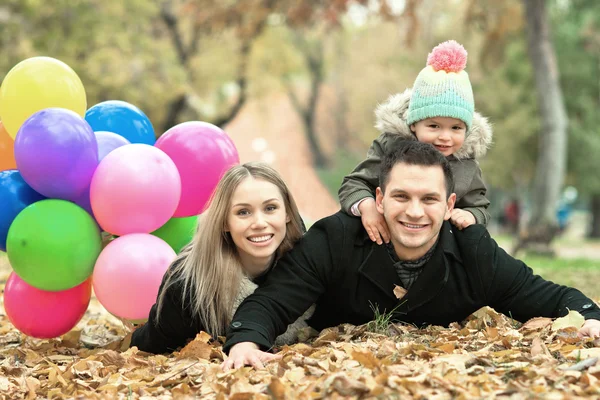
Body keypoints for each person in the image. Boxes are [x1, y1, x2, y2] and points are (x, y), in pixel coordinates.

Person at [222, 140, 600, 370]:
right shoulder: (335, 238)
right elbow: (273, 301)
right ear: (380, 199)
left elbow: (549, 296)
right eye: (401, 197)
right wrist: (244, 342)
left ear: (450, 204)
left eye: (429, 199)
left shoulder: (474, 252)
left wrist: (591, 317)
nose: (415, 212)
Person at [128, 162, 313, 354]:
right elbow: (151, 343)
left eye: (270, 208)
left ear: (288, 214)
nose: (259, 223)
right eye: (243, 212)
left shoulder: (309, 256)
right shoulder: (187, 287)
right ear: (225, 222)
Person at [338, 40, 492, 245]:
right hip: (382, 238)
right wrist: (367, 207)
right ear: (413, 125)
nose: (445, 136)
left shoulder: (467, 166)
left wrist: (471, 216)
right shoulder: (390, 147)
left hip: (436, 246)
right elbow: (354, 183)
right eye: (434, 126)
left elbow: (480, 206)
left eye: (455, 128)